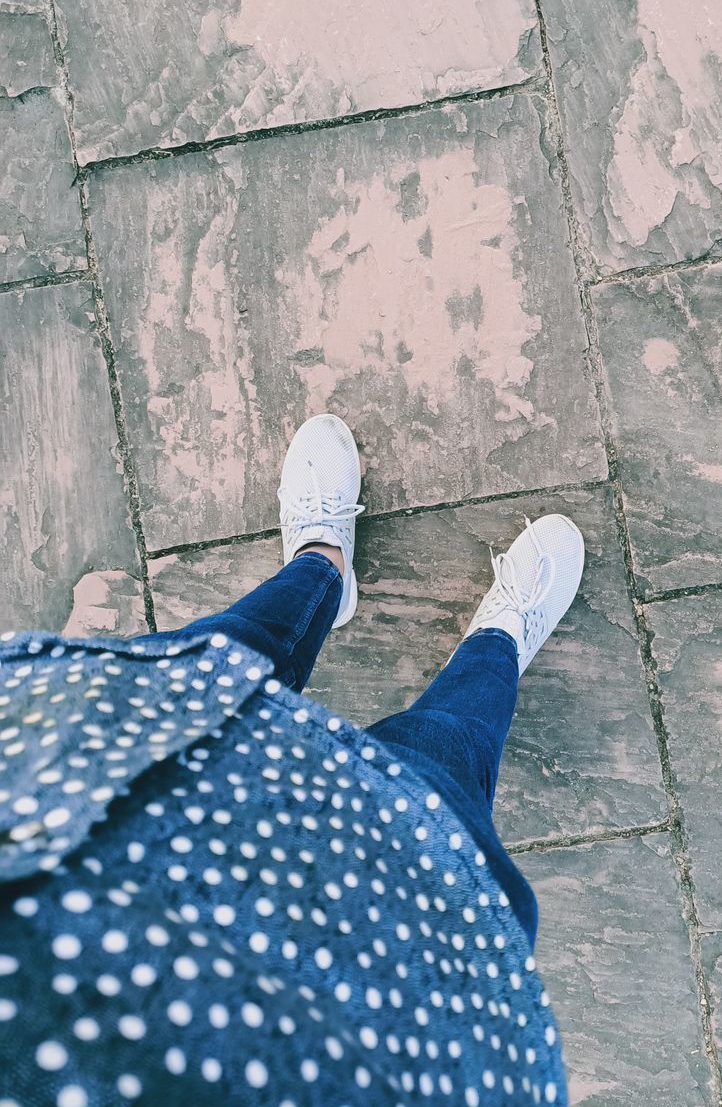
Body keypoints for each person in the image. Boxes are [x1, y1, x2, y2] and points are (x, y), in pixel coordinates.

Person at [0, 414, 583, 1105]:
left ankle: (320, 566)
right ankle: (496, 642)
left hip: (67, 829)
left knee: (225, 666)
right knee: (440, 776)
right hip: (346, 1015)